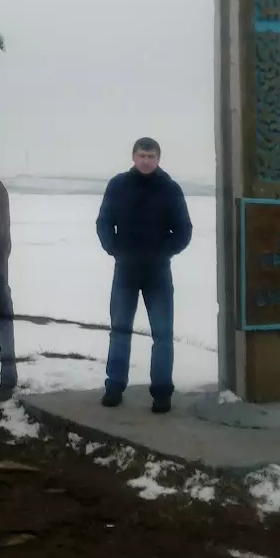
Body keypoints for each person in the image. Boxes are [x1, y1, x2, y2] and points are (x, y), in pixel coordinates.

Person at [96, 137, 192, 413]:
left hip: (158, 273)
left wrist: (164, 253)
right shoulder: (118, 185)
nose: (146, 161)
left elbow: (184, 230)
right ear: (133, 157)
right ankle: (114, 386)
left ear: (158, 159)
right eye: (142, 156)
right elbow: (104, 221)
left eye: (151, 156)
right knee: (120, 331)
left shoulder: (170, 189)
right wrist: (114, 249)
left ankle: (162, 392)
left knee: (162, 334)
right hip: (125, 270)